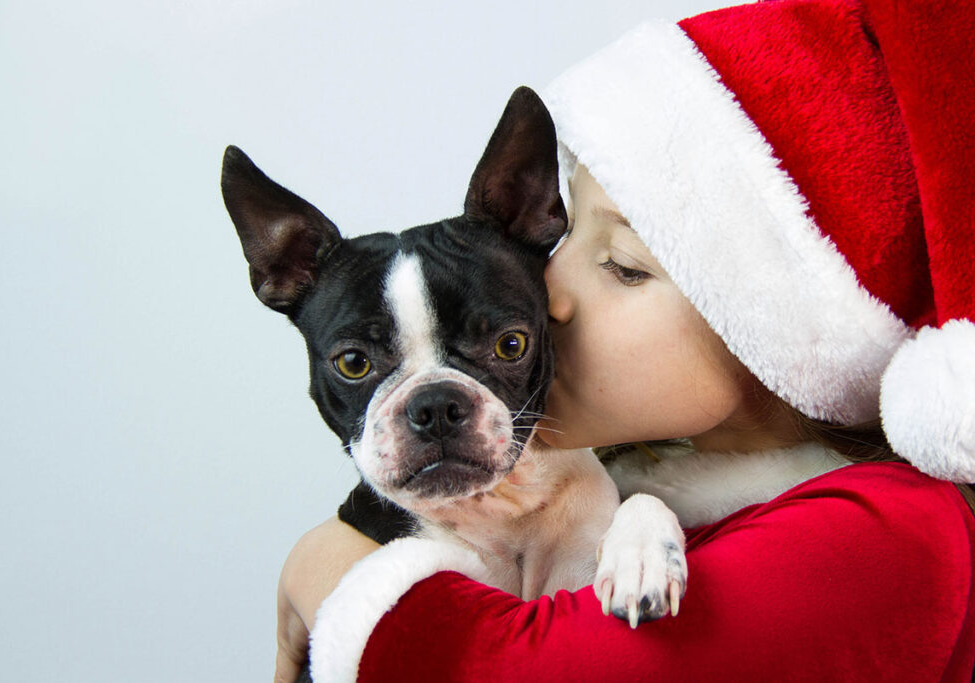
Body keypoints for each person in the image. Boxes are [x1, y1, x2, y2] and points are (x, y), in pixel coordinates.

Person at [275, 0, 975, 680]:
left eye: (622, 265)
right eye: (567, 231)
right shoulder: (606, 485)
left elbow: (529, 666)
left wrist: (328, 565)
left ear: (769, 331)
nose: (548, 290)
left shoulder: (894, 533)